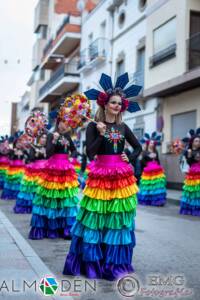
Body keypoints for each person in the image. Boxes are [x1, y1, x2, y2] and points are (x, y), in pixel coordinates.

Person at [63, 72, 142, 280]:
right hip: (100, 176)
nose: (116, 105)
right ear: (105, 104)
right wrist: (99, 132)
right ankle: (92, 263)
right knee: (96, 220)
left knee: (116, 221)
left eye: (119, 103)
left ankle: (113, 263)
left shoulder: (123, 127)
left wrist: (129, 157)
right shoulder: (92, 125)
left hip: (121, 178)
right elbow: (90, 153)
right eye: (113, 102)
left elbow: (138, 147)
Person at [29, 111, 79, 239]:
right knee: (51, 198)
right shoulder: (51, 135)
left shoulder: (68, 136)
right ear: (58, 122)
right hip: (53, 167)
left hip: (65, 169)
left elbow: (74, 150)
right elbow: (48, 153)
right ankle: (50, 228)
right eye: (64, 122)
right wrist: (54, 139)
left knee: (65, 199)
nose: (67, 125)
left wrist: (71, 159)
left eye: (68, 123)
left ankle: (65, 229)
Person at [14, 133, 48, 214]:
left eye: (45, 138)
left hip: (45, 169)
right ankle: (32, 205)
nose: (44, 139)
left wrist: (45, 154)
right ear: (39, 138)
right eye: (42, 137)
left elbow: (49, 157)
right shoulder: (34, 147)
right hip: (35, 169)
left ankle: (42, 205)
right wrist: (37, 153)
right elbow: (31, 158)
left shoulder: (47, 147)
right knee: (33, 188)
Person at [138, 132, 166, 206]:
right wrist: (147, 164)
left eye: (153, 143)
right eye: (151, 143)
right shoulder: (144, 152)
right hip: (148, 171)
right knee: (149, 186)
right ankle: (148, 200)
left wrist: (161, 169)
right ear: (148, 144)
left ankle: (157, 201)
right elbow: (142, 162)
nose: (152, 144)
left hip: (156, 171)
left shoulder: (156, 151)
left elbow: (158, 160)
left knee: (156, 186)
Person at [180, 128, 200, 216]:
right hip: (193, 173)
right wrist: (189, 155)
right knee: (193, 192)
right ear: (192, 142)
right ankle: (191, 208)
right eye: (196, 141)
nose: (198, 143)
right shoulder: (189, 151)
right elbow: (189, 162)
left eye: (199, 141)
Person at [1, 132, 25, 200]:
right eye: (18, 143)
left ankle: (17, 194)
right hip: (13, 167)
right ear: (15, 144)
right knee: (13, 180)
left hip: (21, 167)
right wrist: (14, 154)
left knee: (19, 181)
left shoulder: (23, 150)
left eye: (20, 143)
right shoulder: (12, 150)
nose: (19, 144)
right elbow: (10, 158)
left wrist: (21, 156)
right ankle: (11, 194)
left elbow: (27, 158)